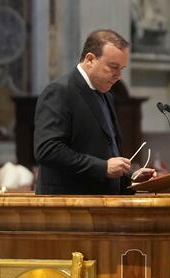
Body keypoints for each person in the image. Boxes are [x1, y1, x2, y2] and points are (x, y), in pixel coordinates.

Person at [34, 29, 155, 195]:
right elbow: (47, 150)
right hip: (69, 207)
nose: (119, 76)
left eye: (122, 69)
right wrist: (103, 167)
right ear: (90, 59)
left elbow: (103, 155)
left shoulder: (107, 96)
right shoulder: (60, 91)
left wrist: (129, 177)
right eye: (113, 67)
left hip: (102, 205)